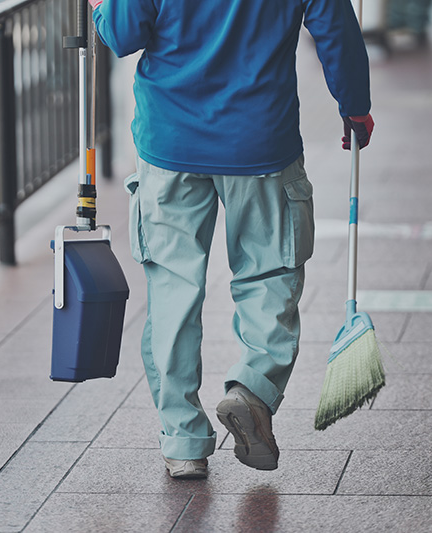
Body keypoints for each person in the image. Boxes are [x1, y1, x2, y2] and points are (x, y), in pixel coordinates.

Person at [89, 0, 374, 479]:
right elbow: (335, 26)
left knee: (173, 293)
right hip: (260, 139)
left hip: (170, 142)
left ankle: (182, 440)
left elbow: (122, 33)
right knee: (269, 275)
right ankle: (253, 391)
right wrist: (355, 106)